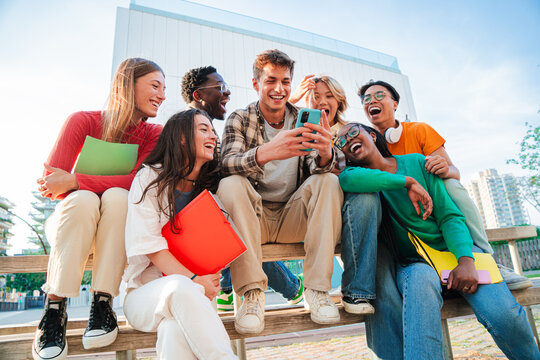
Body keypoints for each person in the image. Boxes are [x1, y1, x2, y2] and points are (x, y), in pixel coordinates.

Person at [337, 122, 540, 359]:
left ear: (372, 135)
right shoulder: (358, 178)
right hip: (414, 263)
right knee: (420, 283)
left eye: (352, 132)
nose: (348, 140)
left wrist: (465, 259)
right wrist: (408, 182)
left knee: (504, 315)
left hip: (453, 252)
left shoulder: (416, 162)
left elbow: (449, 216)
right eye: (341, 141)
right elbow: (348, 180)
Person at [33, 58, 165, 360]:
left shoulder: (153, 134)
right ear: (127, 85)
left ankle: (102, 303)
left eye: (164, 88)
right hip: (71, 223)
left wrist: (76, 179)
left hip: (115, 228)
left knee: (119, 197)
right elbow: (52, 183)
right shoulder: (82, 121)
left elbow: (135, 183)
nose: (162, 95)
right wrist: (75, 186)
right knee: (83, 200)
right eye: (155, 86)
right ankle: (54, 310)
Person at [358, 79, 532, 291]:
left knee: (451, 185)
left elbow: (454, 172)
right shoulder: (364, 143)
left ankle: (487, 258)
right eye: (366, 99)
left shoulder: (420, 130)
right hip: (399, 224)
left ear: (395, 103)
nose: (371, 101)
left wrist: (444, 169)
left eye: (379, 96)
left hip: (435, 207)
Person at [217, 49, 343, 334]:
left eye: (285, 82)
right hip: (254, 218)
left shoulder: (305, 118)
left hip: (292, 217)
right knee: (230, 183)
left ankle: (317, 291)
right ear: (255, 83)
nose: (279, 89)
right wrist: (265, 153)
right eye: (271, 80)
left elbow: (320, 169)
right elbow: (225, 165)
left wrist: (325, 153)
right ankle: (251, 295)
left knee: (329, 181)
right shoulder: (239, 118)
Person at [180, 65, 304, 310]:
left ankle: (231, 287)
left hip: (215, 217)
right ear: (199, 95)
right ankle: (287, 287)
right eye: (221, 88)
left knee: (241, 223)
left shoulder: (205, 126)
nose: (227, 94)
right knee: (240, 223)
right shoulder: (187, 127)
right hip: (198, 221)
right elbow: (212, 178)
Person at [123, 109, 237, 359]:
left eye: (213, 131)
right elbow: (151, 247)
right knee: (180, 286)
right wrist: (194, 279)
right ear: (182, 137)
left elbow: (217, 251)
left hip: (197, 298)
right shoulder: (149, 178)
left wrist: (207, 276)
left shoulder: (210, 192)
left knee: (173, 330)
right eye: (203, 129)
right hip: (146, 295)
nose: (213, 137)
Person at [291, 74, 349, 172]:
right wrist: (291, 101)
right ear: (307, 103)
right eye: (316, 97)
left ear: (338, 102)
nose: (322, 102)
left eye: (329, 96)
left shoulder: (350, 131)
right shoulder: (300, 132)